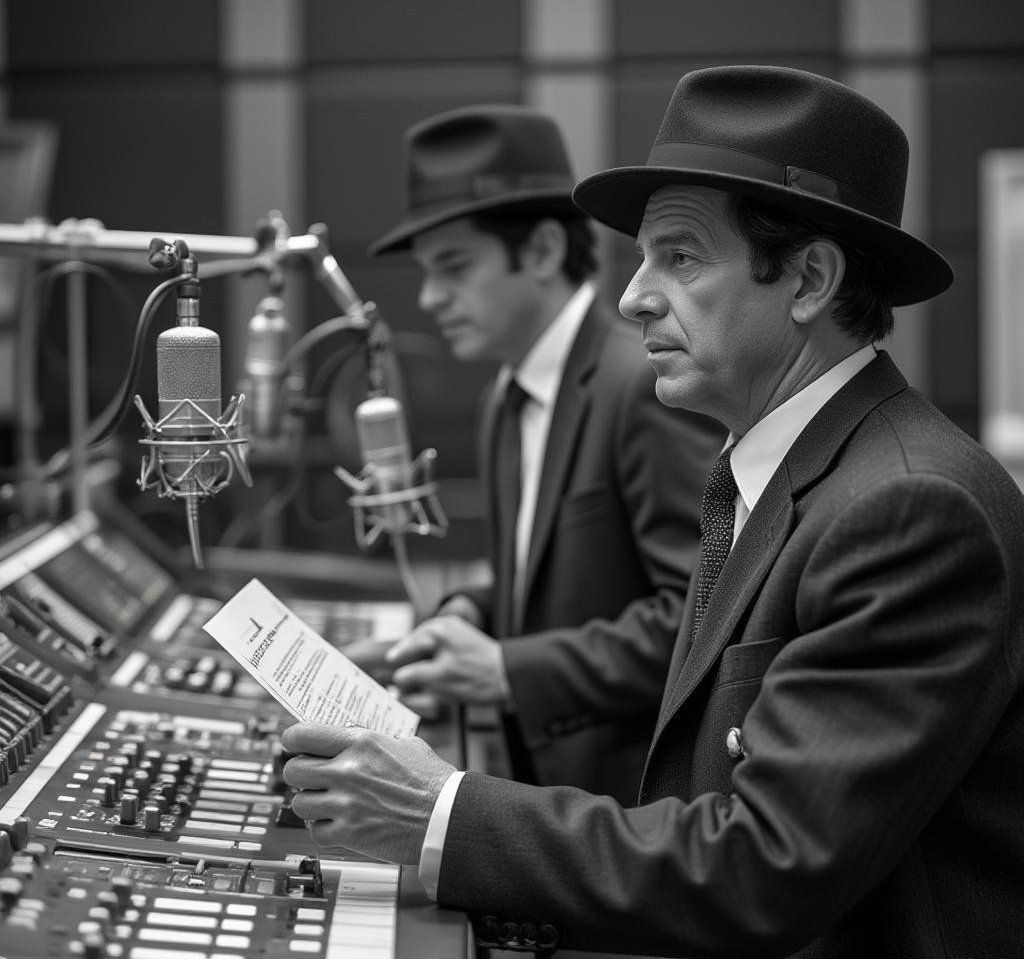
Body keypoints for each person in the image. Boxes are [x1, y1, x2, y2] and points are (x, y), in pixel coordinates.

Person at [281, 66, 1024, 958]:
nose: (632, 295)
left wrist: (438, 812)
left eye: (679, 256)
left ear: (808, 279)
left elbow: (765, 867)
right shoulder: (777, 467)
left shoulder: (912, 507)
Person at [353, 103, 721, 805]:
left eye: (454, 267)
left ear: (546, 250)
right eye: (427, 272)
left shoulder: (642, 385)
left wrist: (506, 670)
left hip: (632, 809)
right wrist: (468, 611)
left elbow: (700, 615)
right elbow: (548, 579)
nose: (430, 297)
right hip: (543, 799)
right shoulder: (505, 395)